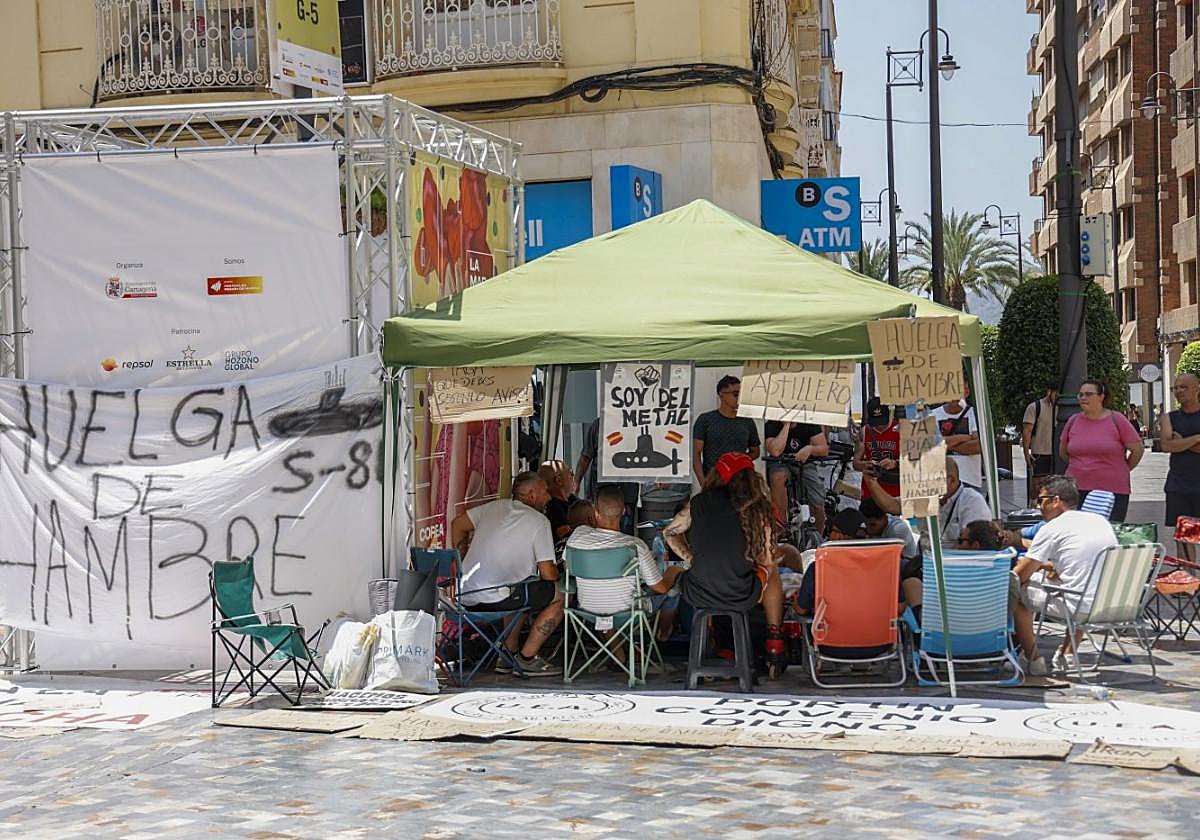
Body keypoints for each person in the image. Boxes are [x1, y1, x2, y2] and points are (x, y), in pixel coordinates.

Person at [663, 452, 786, 677]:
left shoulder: (698, 503)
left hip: (698, 593)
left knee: (679, 572)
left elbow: (669, 532)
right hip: (742, 594)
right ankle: (775, 641)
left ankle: (704, 646)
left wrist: (690, 557)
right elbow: (767, 560)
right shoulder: (758, 507)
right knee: (773, 571)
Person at [449, 471, 564, 677]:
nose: (549, 497)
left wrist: (462, 556)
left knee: (520, 589)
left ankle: (507, 654)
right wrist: (562, 573)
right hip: (497, 598)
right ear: (531, 495)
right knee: (559, 595)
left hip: (464, 595)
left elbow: (457, 524)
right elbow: (548, 574)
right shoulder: (539, 521)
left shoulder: (493, 507)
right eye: (545, 492)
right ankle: (528, 658)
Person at [1010, 476, 1117, 676]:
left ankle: (1033, 659)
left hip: (1079, 608)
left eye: (1041, 500)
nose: (1037, 506)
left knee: (1014, 590)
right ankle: (1068, 654)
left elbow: (1021, 575)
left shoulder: (1052, 528)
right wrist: (1052, 568)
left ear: (1055, 500)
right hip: (1111, 605)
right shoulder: (1099, 521)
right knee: (1080, 584)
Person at [565, 486, 685, 647]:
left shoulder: (577, 536)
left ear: (595, 512)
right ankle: (663, 634)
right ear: (623, 512)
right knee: (674, 589)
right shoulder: (634, 546)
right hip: (629, 613)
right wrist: (674, 570)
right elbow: (661, 588)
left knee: (605, 591)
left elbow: (568, 568)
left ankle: (619, 655)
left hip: (588, 610)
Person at [1058, 378, 1144, 522]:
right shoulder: (1073, 420)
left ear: (1101, 397)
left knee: (1108, 532)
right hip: (1076, 489)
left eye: (1088, 394)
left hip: (1112, 489)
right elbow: (1063, 452)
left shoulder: (1117, 419)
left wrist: (1123, 468)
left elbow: (1137, 450)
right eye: (1081, 395)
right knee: (1078, 532)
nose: (1083, 398)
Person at [862, 457, 991, 550]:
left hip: (955, 566)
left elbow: (976, 544)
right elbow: (892, 505)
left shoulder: (972, 501)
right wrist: (871, 482)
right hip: (924, 563)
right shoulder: (926, 496)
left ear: (951, 480)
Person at [764, 419, 829, 537]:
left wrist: (810, 449)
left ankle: (818, 535)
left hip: (805, 463)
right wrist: (786, 426)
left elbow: (824, 449)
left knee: (817, 494)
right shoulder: (772, 424)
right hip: (780, 462)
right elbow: (775, 451)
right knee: (777, 477)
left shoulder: (809, 421)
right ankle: (781, 526)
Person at [575, 417, 640, 533]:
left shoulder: (637, 424)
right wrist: (576, 481)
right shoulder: (599, 424)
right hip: (601, 493)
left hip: (626, 493)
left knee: (624, 534)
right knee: (596, 533)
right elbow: (586, 456)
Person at [692, 376, 761, 485]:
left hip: (740, 481)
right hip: (715, 481)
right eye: (736, 394)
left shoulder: (747, 421)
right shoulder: (705, 420)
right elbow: (696, 454)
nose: (739, 398)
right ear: (721, 394)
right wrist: (703, 482)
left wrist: (737, 461)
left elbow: (756, 451)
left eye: (741, 395)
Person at [1162, 373, 1200, 561]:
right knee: (1184, 537)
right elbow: (1167, 446)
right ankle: (1188, 583)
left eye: (1183, 387)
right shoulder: (1169, 418)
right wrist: (1196, 439)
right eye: (1175, 387)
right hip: (1180, 485)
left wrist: (1182, 443)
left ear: (1196, 389)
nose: (1178, 391)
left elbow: (1175, 444)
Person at [933, 384, 983, 494]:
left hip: (970, 481)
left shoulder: (976, 414)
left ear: (966, 391)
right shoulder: (933, 415)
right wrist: (966, 437)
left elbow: (979, 446)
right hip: (942, 482)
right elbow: (933, 446)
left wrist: (947, 444)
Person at [853, 398, 900, 498]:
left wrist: (895, 463)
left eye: (882, 422)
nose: (879, 426)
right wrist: (866, 464)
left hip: (895, 489)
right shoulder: (864, 431)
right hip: (871, 490)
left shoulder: (900, 429)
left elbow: (913, 461)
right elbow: (855, 464)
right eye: (876, 423)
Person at [1022, 383, 1059, 500]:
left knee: (1057, 487)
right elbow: (1027, 431)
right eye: (1056, 393)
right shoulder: (1035, 407)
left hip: (1058, 454)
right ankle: (1034, 506)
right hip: (1040, 452)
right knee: (1038, 486)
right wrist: (1026, 453)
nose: (1057, 397)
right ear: (1049, 391)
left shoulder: (1063, 408)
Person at [538, 460, 578, 540]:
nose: (573, 475)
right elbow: (566, 535)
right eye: (570, 472)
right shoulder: (553, 506)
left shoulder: (571, 499)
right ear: (559, 480)